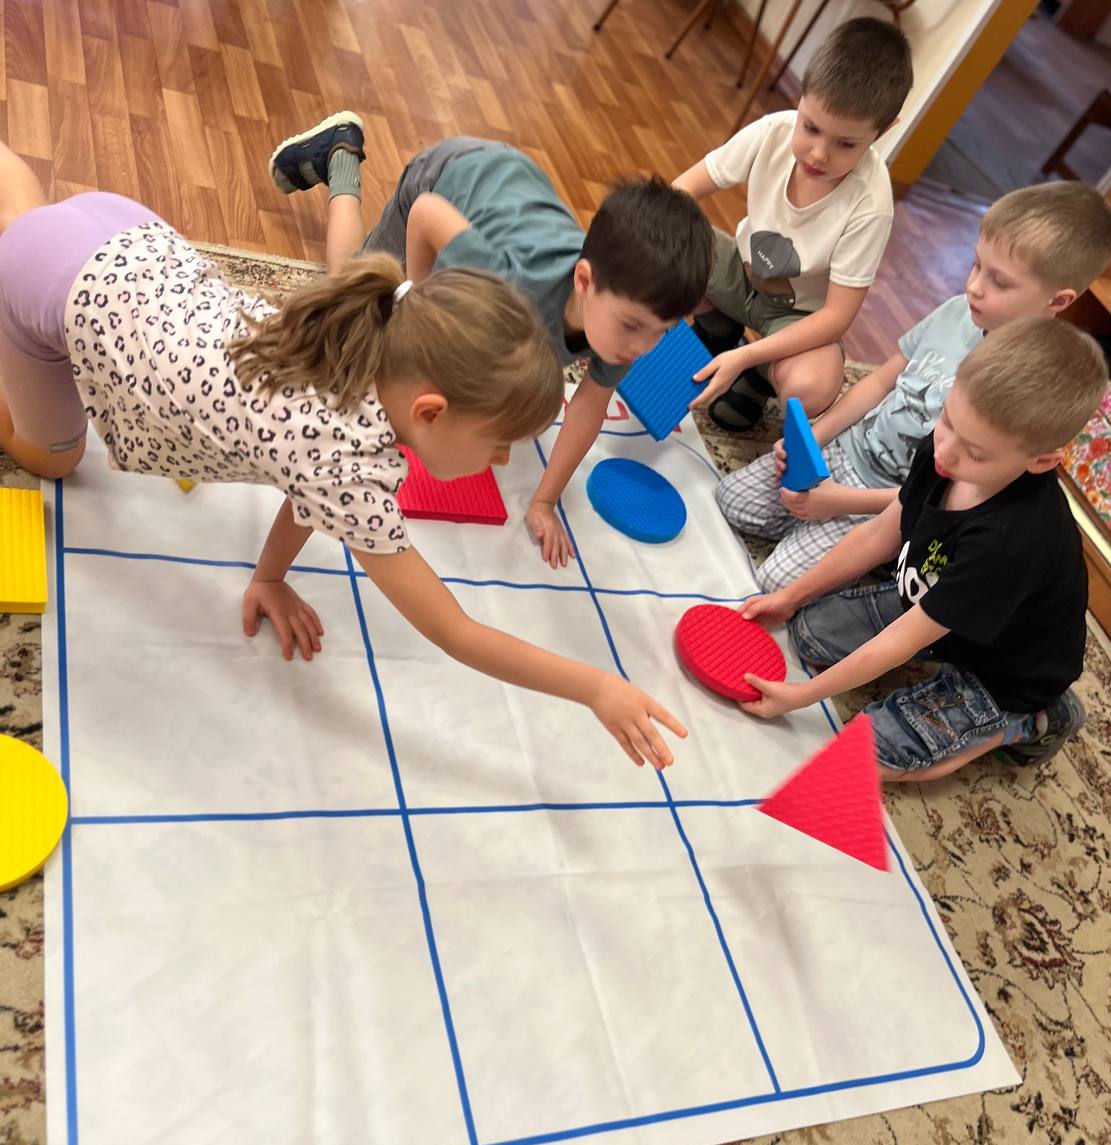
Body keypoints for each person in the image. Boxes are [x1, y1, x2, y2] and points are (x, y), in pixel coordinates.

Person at [0, 146, 686, 770]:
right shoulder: (346, 466)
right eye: (496, 442)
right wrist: (595, 687)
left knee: (28, 222)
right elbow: (454, 630)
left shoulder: (388, 327)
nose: (502, 461)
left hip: (126, 236)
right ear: (430, 412)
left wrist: (269, 576)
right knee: (54, 458)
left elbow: (307, 489)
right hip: (47, 285)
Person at [268, 113, 714, 569]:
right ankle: (341, 154)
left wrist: (544, 501)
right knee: (351, 303)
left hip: (511, 190)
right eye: (634, 326)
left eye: (661, 331)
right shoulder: (508, 279)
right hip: (446, 180)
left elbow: (587, 409)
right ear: (584, 281)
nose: (644, 347)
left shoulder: (624, 329)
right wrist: (420, 306)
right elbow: (425, 214)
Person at [738, 317, 1108, 781]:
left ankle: (1029, 721)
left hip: (1006, 673)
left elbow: (902, 640)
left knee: (862, 755)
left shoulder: (1012, 543)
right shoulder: (946, 450)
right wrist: (791, 596)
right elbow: (880, 532)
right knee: (809, 633)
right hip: (939, 602)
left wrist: (800, 698)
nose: (946, 452)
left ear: (1042, 460)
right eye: (948, 419)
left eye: (976, 453)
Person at [716, 180, 1111, 591]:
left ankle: (881, 562)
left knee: (775, 580)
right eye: (976, 265)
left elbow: (945, 495)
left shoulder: (1030, 388)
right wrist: (813, 439)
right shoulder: (958, 311)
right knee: (731, 501)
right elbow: (879, 382)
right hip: (844, 454)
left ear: (1058, 301)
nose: (974, 286)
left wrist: (837, 501)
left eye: (1000, 282)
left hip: (887, 504)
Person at [671, 16, 913, 431]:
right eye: (811, 127)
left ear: (883, 131)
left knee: (811, 386)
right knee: (662, 233)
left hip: (797, 316)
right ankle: (718, 327)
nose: (818, 154)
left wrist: (748, 356)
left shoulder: (871, 203)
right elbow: (681, 191)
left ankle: (759, 375)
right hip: (739, 273)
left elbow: (836, 317)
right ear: (801, 97)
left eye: (845, 143)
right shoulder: (773, 131)